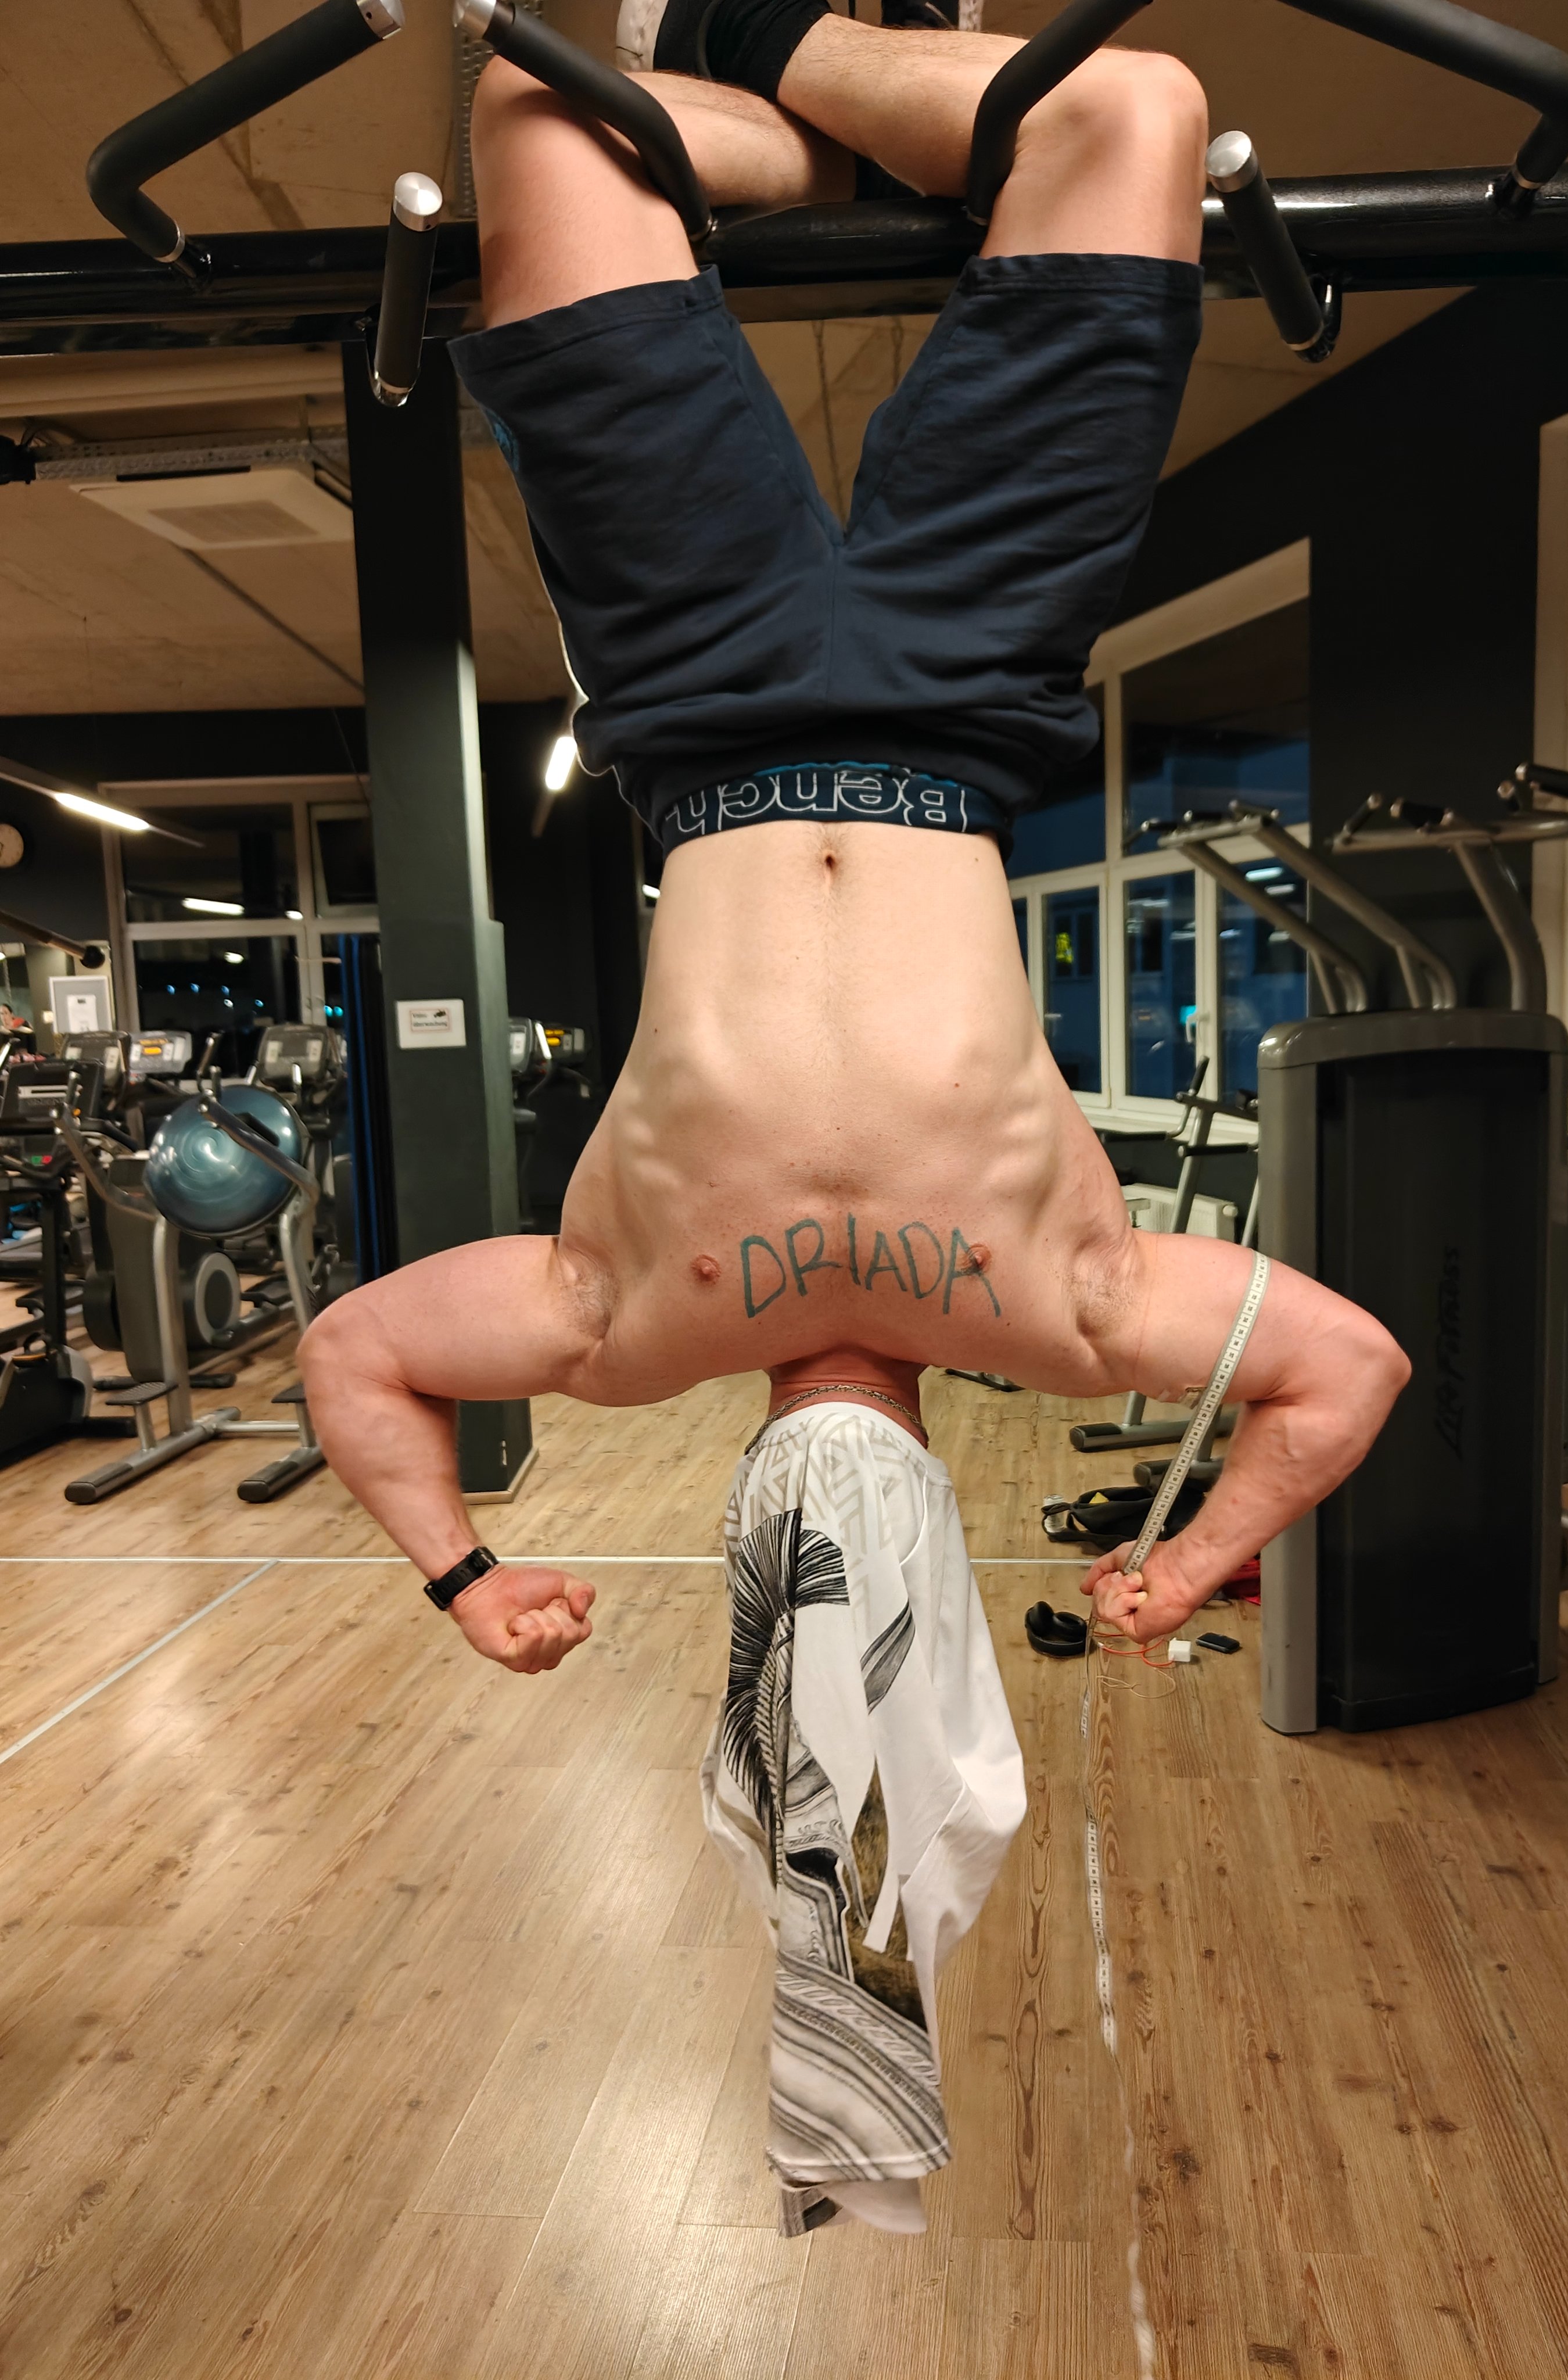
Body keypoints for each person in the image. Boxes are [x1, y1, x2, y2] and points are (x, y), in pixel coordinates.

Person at [302, 1, 1411, 1672]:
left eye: (804, 1583)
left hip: (697, 690)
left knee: (541, 109)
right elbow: (1353, 1370)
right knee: (1128, 112)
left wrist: (466, 1579)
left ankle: (796, 103)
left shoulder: (620, 1333)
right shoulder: (1070, 1317)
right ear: (938, 1529)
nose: (840, 1548)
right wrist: (1188, 1566)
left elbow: (351, 1356)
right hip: (969, 690)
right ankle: (768, 33)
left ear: (750, 1529)